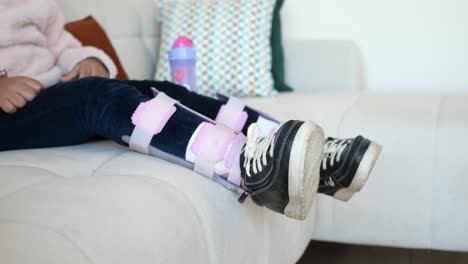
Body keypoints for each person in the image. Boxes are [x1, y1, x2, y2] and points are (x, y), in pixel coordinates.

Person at [0, 0, 381, 220]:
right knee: (96, 99)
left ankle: (294, 147)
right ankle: (248, 167)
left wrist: (87, 58)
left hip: (55, 93)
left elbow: (61, 42)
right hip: (11, 113)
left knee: (162, 90)